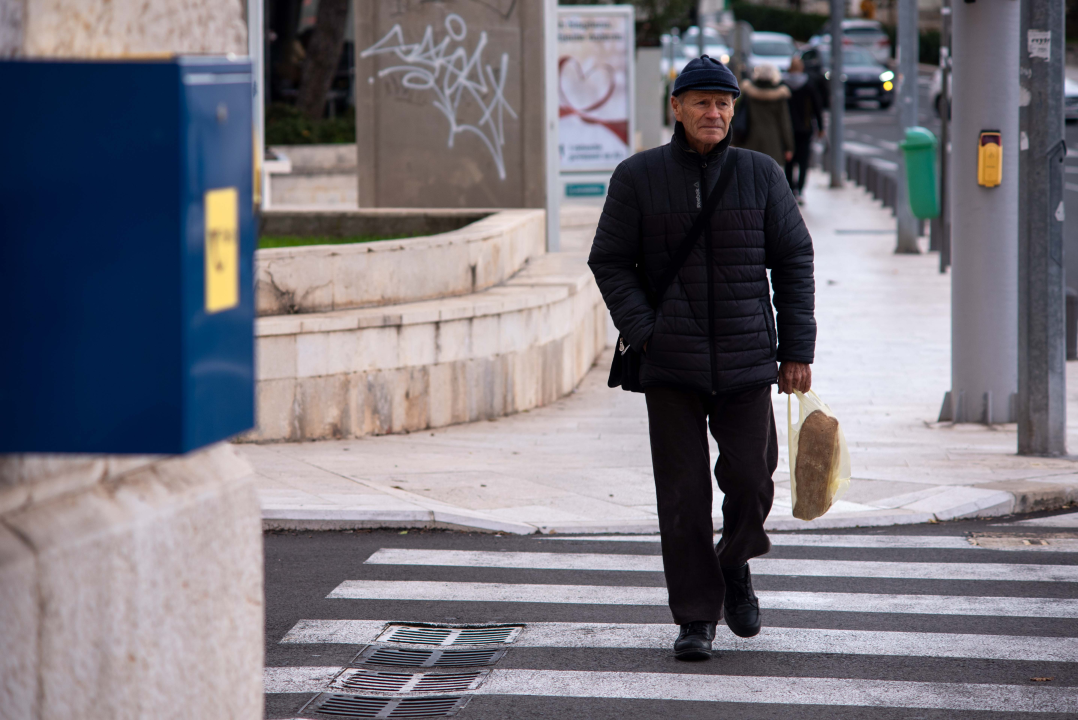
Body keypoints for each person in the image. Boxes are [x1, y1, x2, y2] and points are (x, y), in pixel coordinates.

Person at [588, 55, 816, 661]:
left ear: (734, 110)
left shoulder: (761, 174)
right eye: (700, 103)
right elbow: (608, 260)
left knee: (750, 480)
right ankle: (695, 617)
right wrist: (645, 331)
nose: (712, 113)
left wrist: (796, 349)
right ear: (677, 108)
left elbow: (794, 261)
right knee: (684, 495)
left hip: (746, 361)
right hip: (671, 363)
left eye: (723, 103)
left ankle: (733, 563)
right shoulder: (638, 176)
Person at [735, 63, 795, 170]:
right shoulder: (779, 95)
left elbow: (737, 115)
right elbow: (784, 123)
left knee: (749, 175)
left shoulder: (748, 92)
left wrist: (733, 140)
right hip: (773, 142)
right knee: (770, 177)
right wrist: (789, 147)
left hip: (749, 139)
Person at [783, 57, 825, 204]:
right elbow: (817, 107)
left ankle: (790, 189)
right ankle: (800, 191)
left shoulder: (783, 84)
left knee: (788, 160)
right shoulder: (809, 84)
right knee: (803, 161)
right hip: (805, 129)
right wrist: (820, 127)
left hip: (787, 129)